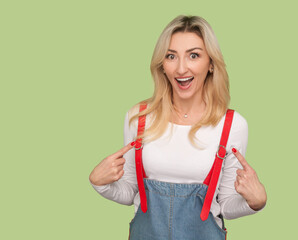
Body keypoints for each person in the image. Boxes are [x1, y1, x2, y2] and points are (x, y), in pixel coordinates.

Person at [89, 15, 267, 240]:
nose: (181, 68)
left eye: (194, 55)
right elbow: (131, 193)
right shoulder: (139, 118)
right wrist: (99, 183)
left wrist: (256, 202)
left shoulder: (232, 125)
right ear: (162, 65)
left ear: (211, 63)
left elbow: (227, 205)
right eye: (171, 56)